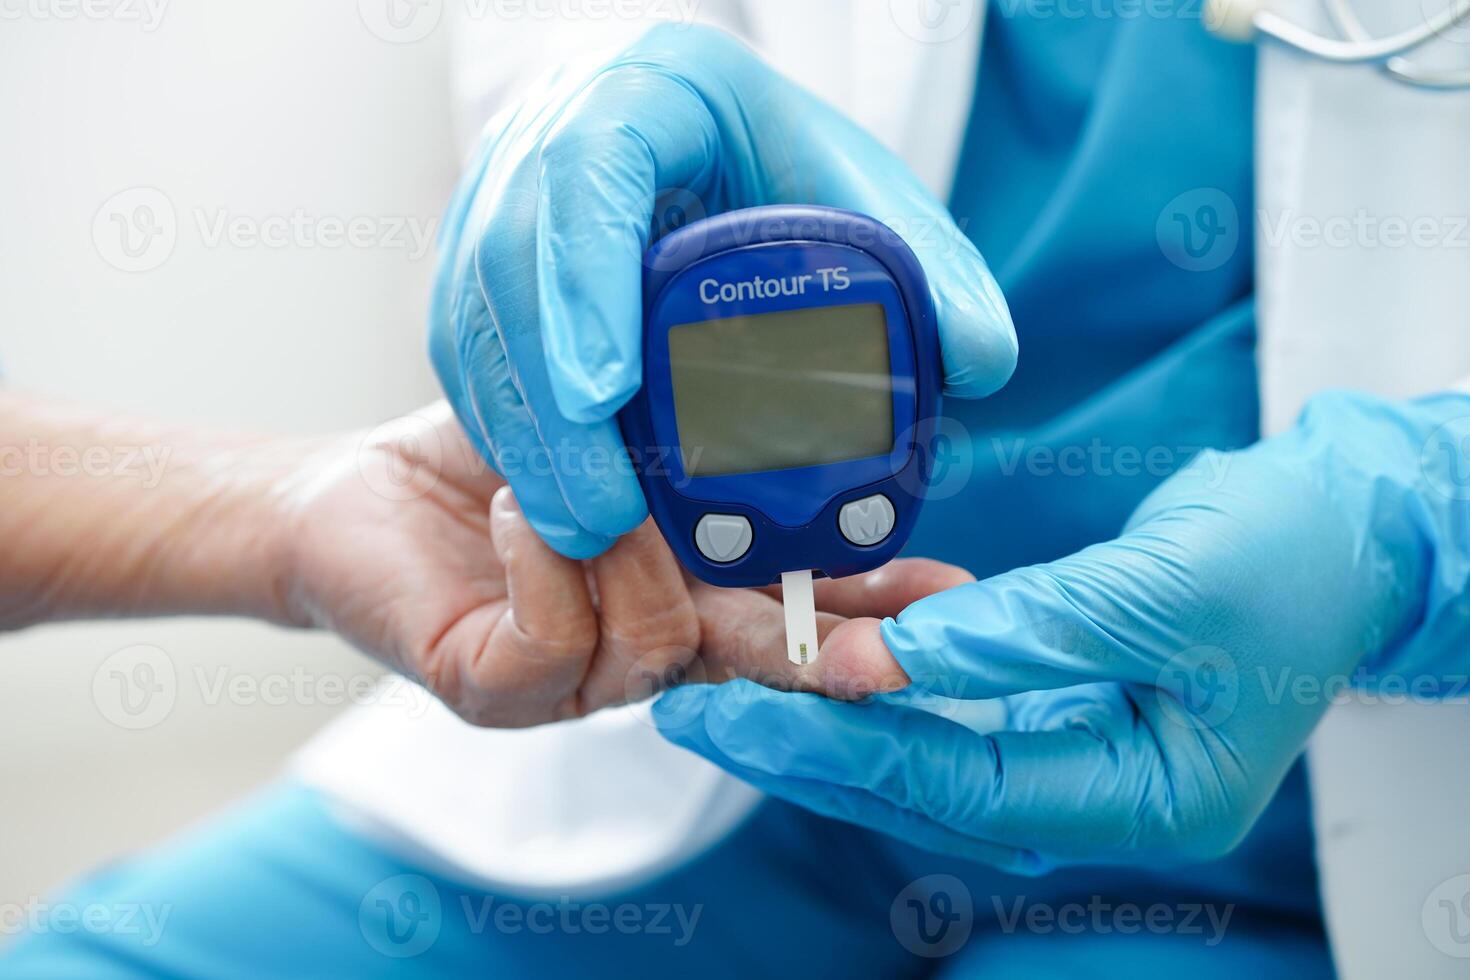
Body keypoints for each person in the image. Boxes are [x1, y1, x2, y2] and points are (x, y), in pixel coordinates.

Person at [6, 4, 1469, 978]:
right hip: (682, 747)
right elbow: (581, 76)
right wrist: (588, 106)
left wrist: (1416, 527)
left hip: (1277, 846)